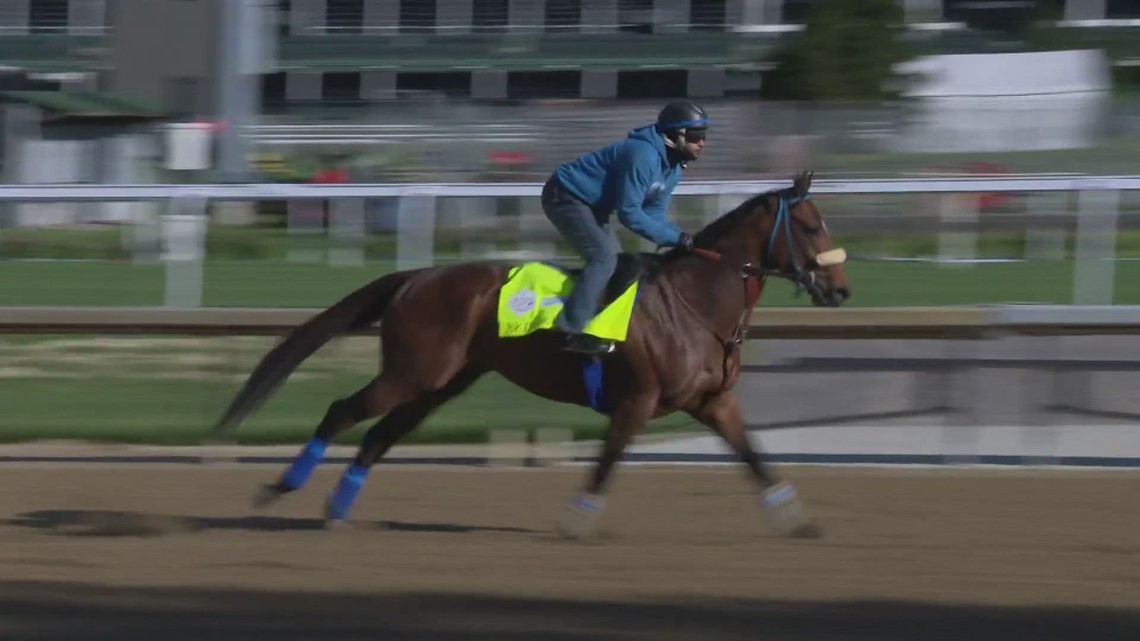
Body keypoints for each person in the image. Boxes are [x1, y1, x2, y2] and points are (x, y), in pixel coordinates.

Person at [540, 101, 707, 355]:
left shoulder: (672, 168)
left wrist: (680, 238)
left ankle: (595, 322)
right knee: (604, 259)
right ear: (674, 135)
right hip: (566, 195)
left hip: (593, 206)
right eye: (696, 136)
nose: (702, 142)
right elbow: (629, 214)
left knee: (616, 263)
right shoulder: (643, 155)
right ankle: (571, 331)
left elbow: (653, 214)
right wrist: (675, 237)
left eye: (704, 135)